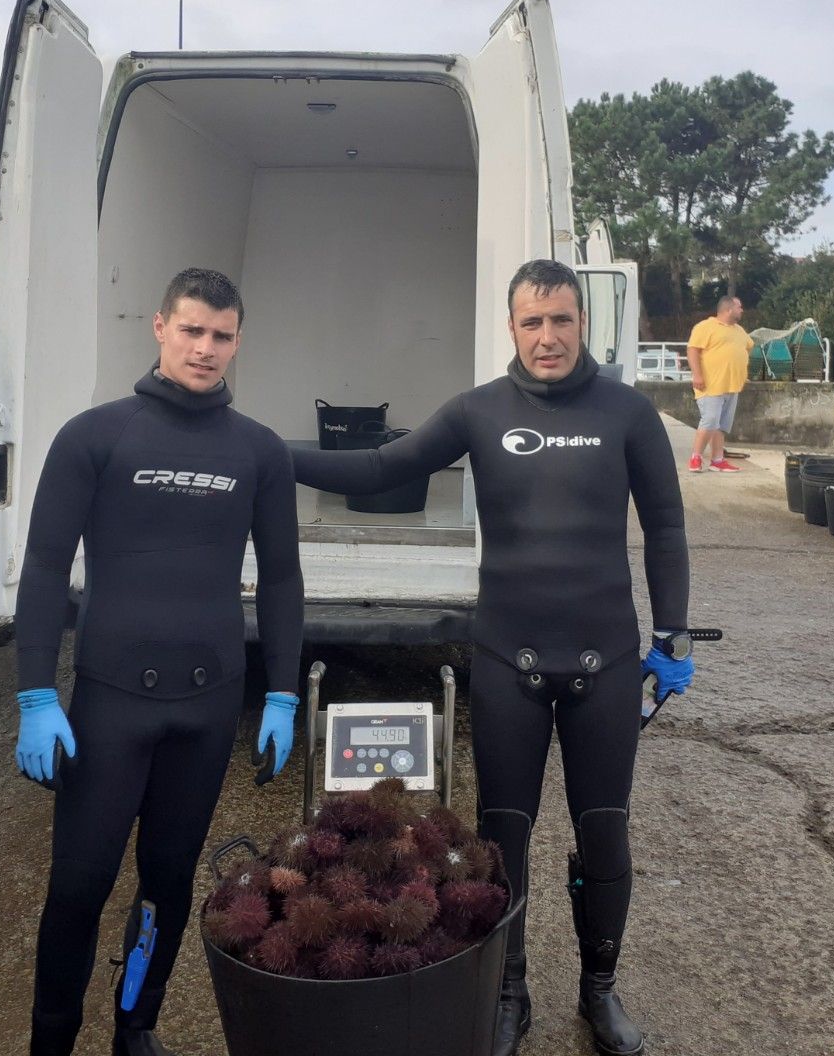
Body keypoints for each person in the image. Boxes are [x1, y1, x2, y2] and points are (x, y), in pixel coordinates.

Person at [289, 260, 693, 1056]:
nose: (548, 336)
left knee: (605, 834)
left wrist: (672, 637)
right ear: (512, 327)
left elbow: (669, 528)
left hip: (605, 660)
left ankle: (599, 990)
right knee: (500, 840)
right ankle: (509, 991)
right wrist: (272, 455)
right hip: (509, 656)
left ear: (584, 325)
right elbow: (380, 467)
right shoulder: (478, 412)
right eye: (532, 321)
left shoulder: (628, 413)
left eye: (562, 320)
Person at [12, 268, 304, 1056]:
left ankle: (135, 1028)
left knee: (169, 885)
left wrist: (282, 693)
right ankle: (52, 1042)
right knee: (77, 887)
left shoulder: (259, 452)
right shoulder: (95, 436)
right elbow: (44, 568)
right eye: (192, 330)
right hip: (111, 706)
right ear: (160, 327)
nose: (205, 349)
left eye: (221, 335)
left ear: (238, 340)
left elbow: (280, 577)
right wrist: (35, 693)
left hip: (208, 708)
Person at [686, 295, 754, 472]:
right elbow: (692, 350)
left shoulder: (739, 330)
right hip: (711, 386)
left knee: (721, 426)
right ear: (728, 309)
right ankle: (696, 457)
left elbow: (747, 347)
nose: (742, 310)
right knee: (709, 421)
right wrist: (697, 375)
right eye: (739, 307)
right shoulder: (705, 327)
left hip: (732, 387)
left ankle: (717, 461)